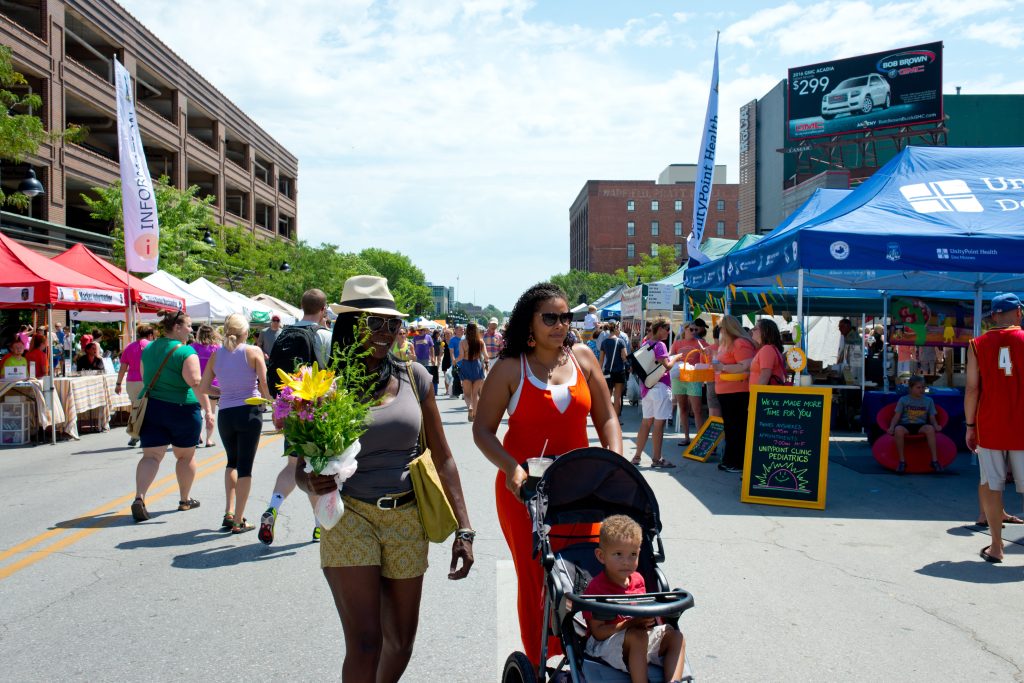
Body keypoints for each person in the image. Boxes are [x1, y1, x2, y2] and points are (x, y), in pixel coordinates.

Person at [299, 275, 474, 682]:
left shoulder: (415, 376)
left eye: (392, 324)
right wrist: (314, 482)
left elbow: (443, 457)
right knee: (365, 642)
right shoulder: (321, 385)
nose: (386, 333)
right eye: (373, 323)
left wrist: (464, 529)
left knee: (401, 641)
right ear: (349, 324)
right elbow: (298, 468)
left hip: (407, 517)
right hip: (349, 518)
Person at [473, 282, 621, 667]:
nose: (560, 324)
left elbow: (606, 417)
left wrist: (614, 462)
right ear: (530, 323)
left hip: (581, 489)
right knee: (536, 578)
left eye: (565, 316)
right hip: (524, 490)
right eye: (550, 317)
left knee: (587, 569)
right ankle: (540, 665)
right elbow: (482, 431)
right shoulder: (510, 368)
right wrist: (511, 468)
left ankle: (587, 658)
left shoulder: (584, 358)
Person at [259, 288, 334, 545]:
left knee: (293, 465)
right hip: (316, 411)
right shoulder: (324, 336)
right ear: (323, 309)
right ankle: (319, 525)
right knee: (314, 467)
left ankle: (272, 507)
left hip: (291, 409)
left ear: (302, 307)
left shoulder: (284, 334)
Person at [583, 515, 687, 683]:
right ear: (601, 556)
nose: (626, 562)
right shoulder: (597, 588)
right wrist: (630, 624)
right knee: (638, 636)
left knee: (675, 636)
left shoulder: (638, 579)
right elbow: (598, 632)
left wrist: (648, 618)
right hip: (603, 645)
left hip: (638, 637)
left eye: (633, 554)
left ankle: (674, 681)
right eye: (618, 554)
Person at [198, 314, 271, 534]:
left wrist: (225, 393)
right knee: (245, 467)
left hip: (226, 413)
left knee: (232, 462)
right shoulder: (253, 351)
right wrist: (272, 402)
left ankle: (229, 512)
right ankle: (239, 519)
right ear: (245, 332)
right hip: (249, 411)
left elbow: (203, 387)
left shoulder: (216, 356)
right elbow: (264, 384)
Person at [965, 293, 1024, 563]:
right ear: (1018, 314)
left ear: (993, 316)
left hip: (990, 424)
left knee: (992, 485)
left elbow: (972, 388)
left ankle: (997, 547)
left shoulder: (977, 344)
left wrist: (969, 425)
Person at [130, 310, 202, 522]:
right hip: (182, 409)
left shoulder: (149, 348)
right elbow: (194, 381)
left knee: (151, 456)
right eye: (188, 325)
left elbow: (145, 377)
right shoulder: (186, 351)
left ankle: (139, 497)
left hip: (152, 407)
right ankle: (184, 499)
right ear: (177, 327)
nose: (191, 329)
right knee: (185, 456)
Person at [633, 318, 684, 468]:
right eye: (667, 328)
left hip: (647, 389)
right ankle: (657, 458)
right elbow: (667, 366)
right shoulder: (660, 344)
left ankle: (637, 456)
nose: (669, 332)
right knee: (659, 425)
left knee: (646, 423)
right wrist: (676, 358)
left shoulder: (646, 343)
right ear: (659, 328)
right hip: (660, 387)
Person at [714, 316, 756, 473]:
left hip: (737, 392)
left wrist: (722, 367)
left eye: (722, 328)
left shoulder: (740, 343)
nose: (720, 331)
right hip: (726, 392)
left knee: (736, 428)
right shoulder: (728, 344)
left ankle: (737, 462)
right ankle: (730, 460)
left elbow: (746, 366)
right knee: (731, 428)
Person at [887, 375, 942, 474]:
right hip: (906, 425)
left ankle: (934, 461)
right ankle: (902, 462)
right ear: (911, 388)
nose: (921, 390)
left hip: (921, 425)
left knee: (930, 429)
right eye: (918, 387)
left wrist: (936, 425)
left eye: (923, 387)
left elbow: (932, 417)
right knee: (898, 429)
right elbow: (897, 416)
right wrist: (891, 427)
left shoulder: (929, 401)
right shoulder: (903, 400)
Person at [116, 325, 155, 447]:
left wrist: (118, 383)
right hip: (147, 381)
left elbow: (123, 368)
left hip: (132, 381)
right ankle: (147, 435)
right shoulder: (152, 346)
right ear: (150, 335)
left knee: (135, 409)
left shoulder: (129, 347)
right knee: (149, 409)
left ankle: (135, 434)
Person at [669, 322, 704, 447]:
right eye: (692, 329)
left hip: (693, 378)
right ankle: (686, 437)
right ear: (685, 330)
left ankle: (700, 439)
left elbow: (710, 352)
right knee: (682, 408)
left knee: (697, 410)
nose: (694, 332)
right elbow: (670, 357)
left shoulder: (700, 342)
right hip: (678, 377)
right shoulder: (678, 343)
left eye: (696, 329)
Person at [191, 325, 221, 448]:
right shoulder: (217, 349)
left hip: (197, 384)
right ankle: (209, 439)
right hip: (213, 384)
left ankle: (198, 437)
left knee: (198, 412)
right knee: (212, 412)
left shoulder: (192, 348)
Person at [458, 322, 489, 422]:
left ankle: (470, 406)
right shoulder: (480, 342)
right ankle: (475, 415)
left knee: (467, 394)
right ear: (476, 330)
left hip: (466, 365)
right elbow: (486, 356)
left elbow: (461, 356)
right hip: (477, 366)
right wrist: (486, 363)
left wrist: (454, 361)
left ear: (466, 330)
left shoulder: (462, 342)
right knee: (475, 394)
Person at [599, 321, 628, 419]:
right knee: (617, 396)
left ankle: (607, 417)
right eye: (618, 328)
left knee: (607, 396)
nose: (619, 330)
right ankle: (615, 419)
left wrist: (599, 372)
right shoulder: (621, 341)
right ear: (615, 329)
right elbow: (624, 357)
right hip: (620, 371)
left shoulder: (604, 342)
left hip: (608, 371)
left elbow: (601, 359)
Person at [750, 319, 787, 387]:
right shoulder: (768, 349)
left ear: (765, 332)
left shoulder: (767, 349)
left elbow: (765, 376)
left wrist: (757, 395)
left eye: (755, 328)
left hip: (763, 395)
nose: (752, 330)